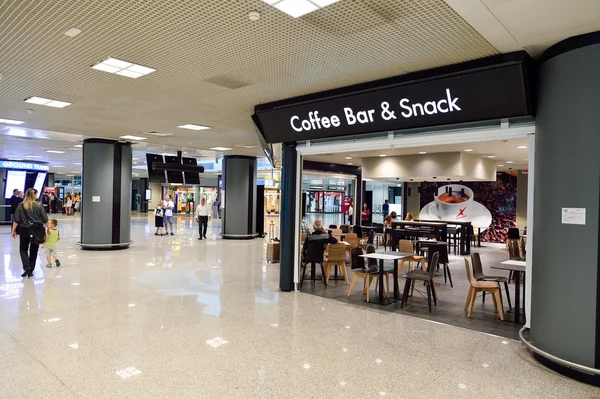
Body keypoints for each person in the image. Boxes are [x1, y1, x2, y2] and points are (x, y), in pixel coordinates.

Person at [12, 188, 50, 278]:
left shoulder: (21, 205)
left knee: (23, 249)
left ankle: (27, 267)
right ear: (34, 195)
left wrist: (13, 230)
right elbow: (45, 219)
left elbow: (16, 219)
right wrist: (49, 228)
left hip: (25, 229)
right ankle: (31, 270)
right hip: (37, 230)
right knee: (34, 250)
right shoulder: (39, 205)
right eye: (36, 194)